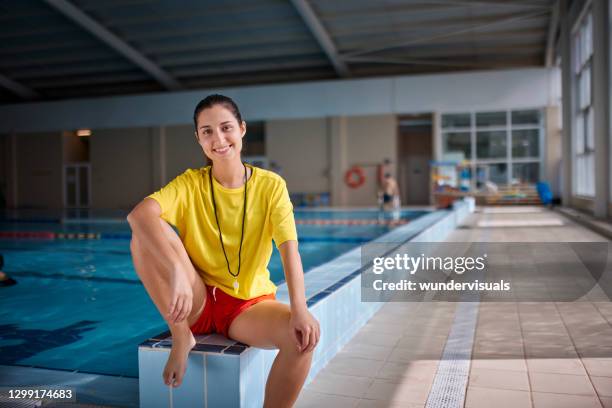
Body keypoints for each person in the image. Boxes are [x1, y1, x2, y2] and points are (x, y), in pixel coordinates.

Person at [127, 94, 319, 408]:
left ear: (242, 129)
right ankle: (181, 337)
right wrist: (176, 269)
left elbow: (289, 251)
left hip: (247, 307)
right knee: (143, 234)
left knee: (302, 339)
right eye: (207, 131)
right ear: (199, 139)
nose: (219, 139)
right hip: (197, 298)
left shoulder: (271, 186)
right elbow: (138, 215)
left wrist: (300, 307)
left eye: (226, 127)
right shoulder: (191, 183)